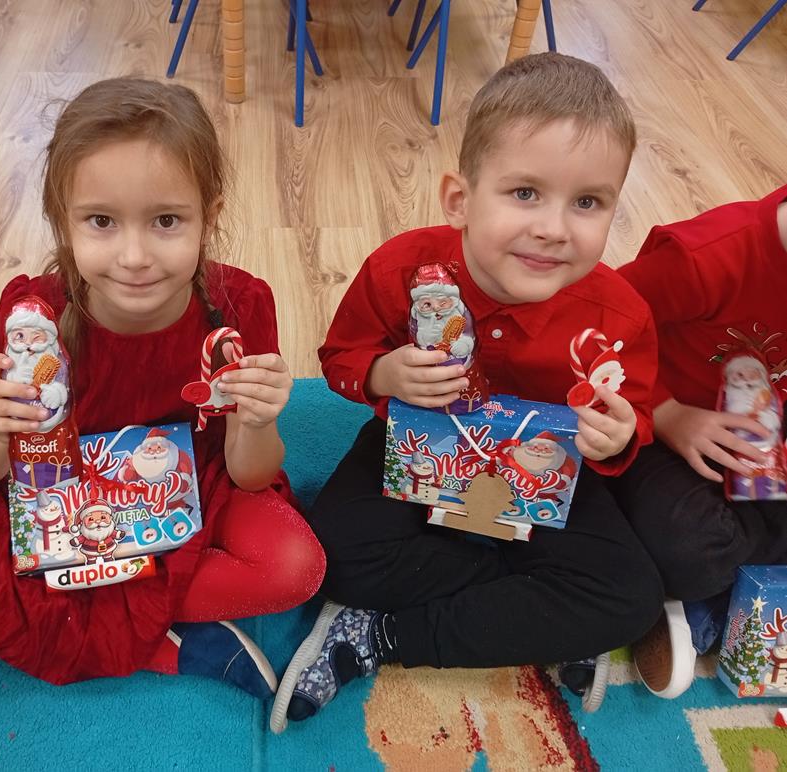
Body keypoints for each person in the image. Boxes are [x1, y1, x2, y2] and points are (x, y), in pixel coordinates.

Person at [0, 78, 325, 697]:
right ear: (62, 222)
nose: (134, 255)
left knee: (296, 566)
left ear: (210, 215)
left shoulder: (239, 308)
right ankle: (167, 642)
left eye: (166, 220)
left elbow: (251, 475)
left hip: (196, 478)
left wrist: (257, 422)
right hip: (55, 482)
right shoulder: (34, 316)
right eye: (101, 221)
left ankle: (91, 617)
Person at [270, 53, 664, 731]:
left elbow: (638, 415)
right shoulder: (400, 269)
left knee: (629, 599)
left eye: (587, 203)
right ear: (459, 199)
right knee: (327, 556)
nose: (553, 228)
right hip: (415, 446)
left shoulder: (619, 313)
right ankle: (537, 614)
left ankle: (380, 636)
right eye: (524, 193)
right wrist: (383, 374)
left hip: (543, 474)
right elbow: (339, 358)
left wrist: (618, 437)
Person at [614, 184, 787, 698]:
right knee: (693, 550)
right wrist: (666, 412)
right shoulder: (709, 257)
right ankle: (699, 600)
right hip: (663, 438)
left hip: (763, 452)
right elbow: (599, 321)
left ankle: (714, 605)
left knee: (704, 553)